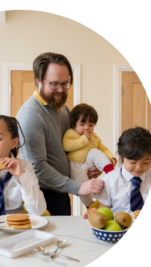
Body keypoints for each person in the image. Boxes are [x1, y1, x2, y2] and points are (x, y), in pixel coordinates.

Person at [16, 52, 104, 215]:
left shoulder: (63, 109)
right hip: (42, 197)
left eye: (65, 84)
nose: (61, 90)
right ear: (39, 81)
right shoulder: (30, 115)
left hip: (61, 194)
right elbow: (38, 168)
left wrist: (86, 168)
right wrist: (78, 187)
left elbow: (70, 149)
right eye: (55, 84)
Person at [85, 127, 151, 218]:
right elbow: (103, 211)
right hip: (118, 229)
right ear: (121, 156)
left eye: (146, 162)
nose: (139, 167)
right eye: (133, 162)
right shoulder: (110, 180)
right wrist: (96, 212)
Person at [62, 103, 117, 207]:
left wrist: (112, 159)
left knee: (94, 151)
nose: (87, 128)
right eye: (82, 125)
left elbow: (103, 148)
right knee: (82, 186)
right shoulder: (71, 133)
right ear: (74, 124)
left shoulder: (94, 136)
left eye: (90, 125)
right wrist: (83, 140)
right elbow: (66, 146)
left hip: (89, 163)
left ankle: (111, 172)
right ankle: (89, 205)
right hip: (76, 166)